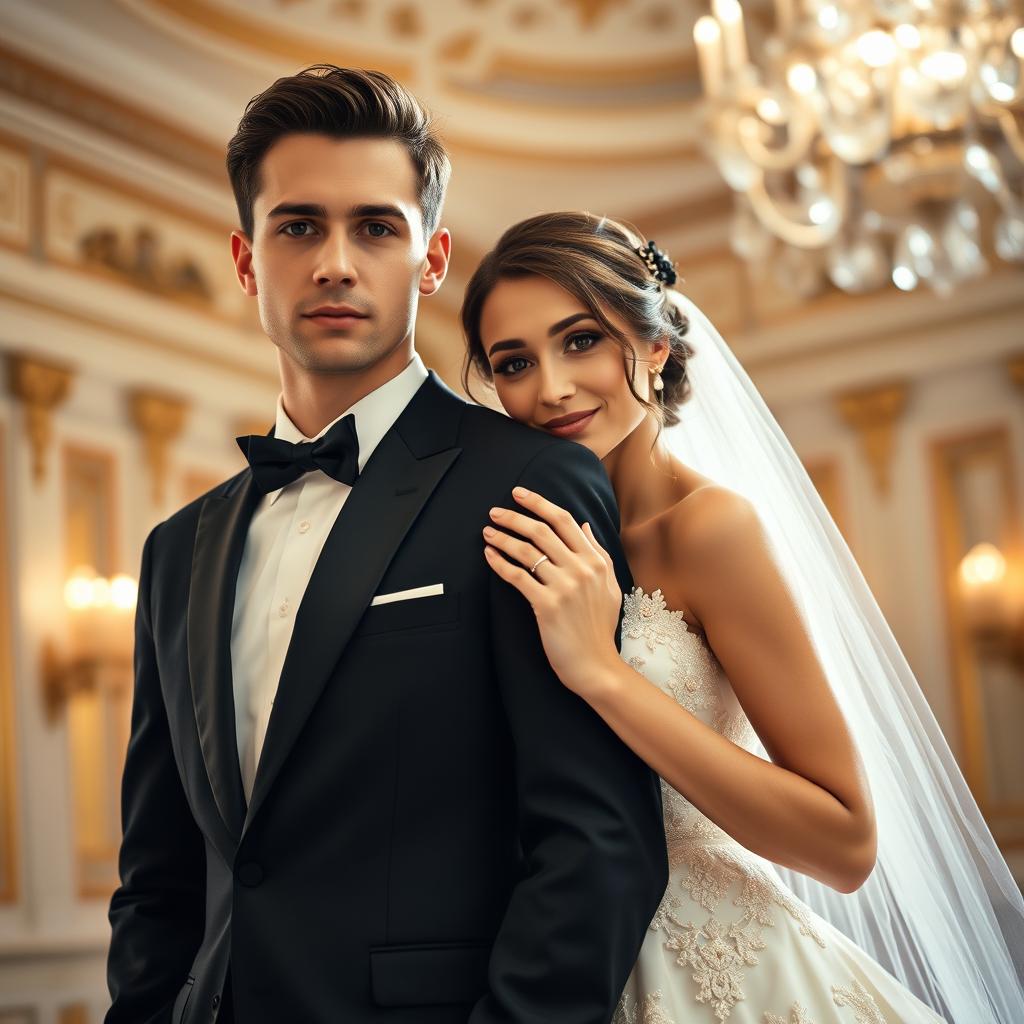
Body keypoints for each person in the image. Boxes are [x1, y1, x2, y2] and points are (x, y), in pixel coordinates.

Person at [104, 70, 669, 1024]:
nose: (334, 263)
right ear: (247, 261)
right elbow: (157, 874)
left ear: (432, 259)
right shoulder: (175, 552)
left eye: (375, 228)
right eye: (297, 227)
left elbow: (596, 842)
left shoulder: (530, 480)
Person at [462, 211, 1024, 1024]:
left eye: (580, 340)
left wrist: (604, 675)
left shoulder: (709, 529)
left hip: (727, 972)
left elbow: (844, 841)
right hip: (552, 972)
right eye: (515, 362)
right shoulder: (520, 540)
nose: (549, 388)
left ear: (653, 348)